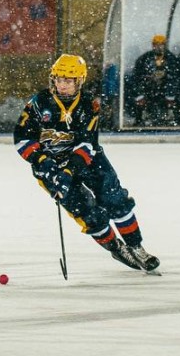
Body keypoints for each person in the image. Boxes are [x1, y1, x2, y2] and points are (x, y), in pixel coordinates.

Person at [14, 54, 160, 274]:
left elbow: (87, 143)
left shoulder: (88, 105)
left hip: (89, 162)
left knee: (115, 199)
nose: (62, 85)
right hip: (50, 167)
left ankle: (136, 246)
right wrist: (45, 164)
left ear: (79, 81)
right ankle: (116, 248)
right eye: (59, 79)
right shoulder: (38, 103)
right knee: (87, 214)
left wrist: (69, 170)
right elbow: (22, 138)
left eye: (68, 80)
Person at [126, 34, 180, 126]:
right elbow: (137, 75)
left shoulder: (171, 58)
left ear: (164, 45)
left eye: (161, 44)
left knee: (174, 88)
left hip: (165, 88)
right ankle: (141, 115)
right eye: (156, 44)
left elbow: (176, 74)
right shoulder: (144, 58)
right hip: (148, 87)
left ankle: (172, 114)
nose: (158, 47)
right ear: (153, 45)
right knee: (132, 86)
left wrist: (165, 76)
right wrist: (148, 77)